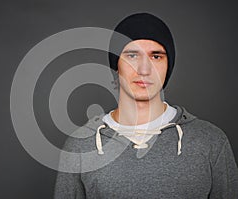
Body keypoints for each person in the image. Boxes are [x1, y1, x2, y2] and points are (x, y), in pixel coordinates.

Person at [54, 13, 238, 198]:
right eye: (132, 55)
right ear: (116, 65)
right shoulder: (81, 146)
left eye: (156, 56)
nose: (144, 69)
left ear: (168, 66)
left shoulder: (210, 141)